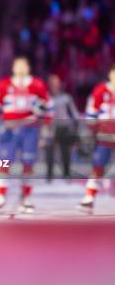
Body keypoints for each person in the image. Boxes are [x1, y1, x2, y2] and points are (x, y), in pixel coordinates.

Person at [0, 56, 53, 214]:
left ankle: (26, 198)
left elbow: (48, 107)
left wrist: (46, 127)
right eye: (18, 65)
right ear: (13, 68)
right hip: (9, 128)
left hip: (30, 129)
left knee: (28, 164)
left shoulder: (37, 85)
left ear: (28, 67)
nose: (21, 68)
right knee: (3, 163)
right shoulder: (4, 85)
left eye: (24, 65)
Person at [78, 65, 115, 213]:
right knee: (98, 167)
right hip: (104, 137)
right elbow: (91, 113)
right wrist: (92, 131)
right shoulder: (100, 91)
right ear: (110, 74)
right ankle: (89, 198)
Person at [45, 74, 80, 181]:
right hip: (50, 128)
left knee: (65, 152)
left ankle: (66, 173)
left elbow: (75, 114)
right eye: (52, 82)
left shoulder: (66, 98)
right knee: (49, 151)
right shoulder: (44, 97)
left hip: (64, 127)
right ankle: (49, 175)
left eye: (56, 82)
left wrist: (75, 129)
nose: (54, 85)